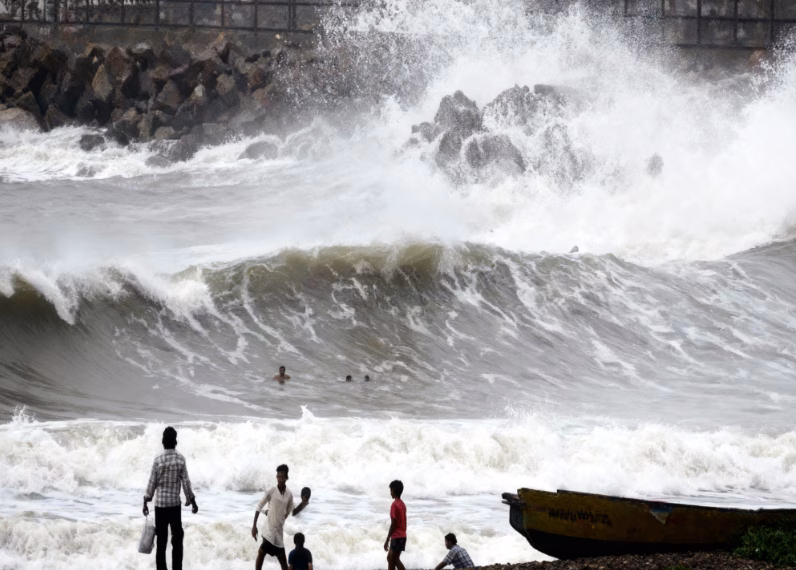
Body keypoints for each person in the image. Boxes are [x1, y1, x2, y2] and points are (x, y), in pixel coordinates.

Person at [142, 426, 199, 570]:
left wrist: (146, 500)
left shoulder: (158, 459)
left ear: (163, 441)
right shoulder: (180, 459)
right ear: (175, 441)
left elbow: (151, 483)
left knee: (161, 541)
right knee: (177, 538)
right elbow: (186, 482)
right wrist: (192, 501)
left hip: (160, 506)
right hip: (174, 506)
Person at [252, 464, 295, 570]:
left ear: (286, 478)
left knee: (283, 560)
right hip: (269, 529)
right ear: (276, 477)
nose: (280, 479)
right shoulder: (272, 491)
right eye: (278, 476)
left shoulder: (289, 494)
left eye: (282, 476)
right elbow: (258, 507)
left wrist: (281, 519)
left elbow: (289, 509)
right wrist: (254, 526)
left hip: (279, 532)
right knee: (261, 552)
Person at [384, 480, 407, 570]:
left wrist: (387, 539)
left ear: (394, 491)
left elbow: (393, 524)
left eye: (391, 491)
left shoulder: (394, 505)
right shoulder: (402, 504)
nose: (390, 493)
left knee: (395, 559)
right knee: (390, 558)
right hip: (402, 535)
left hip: (397, 536)